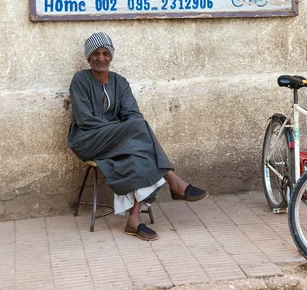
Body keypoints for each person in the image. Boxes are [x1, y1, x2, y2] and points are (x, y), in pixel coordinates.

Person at [68, 32, 208, 241]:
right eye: (96, 54)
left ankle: (134, 220)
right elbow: (84, 119)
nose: (101, 58)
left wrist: (122, 132)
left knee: (137, 155)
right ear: (89, 57)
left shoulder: (120, 82)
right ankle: (171, 177)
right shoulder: (80, 80)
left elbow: (132, 113)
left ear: (111, 56)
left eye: (106, 53)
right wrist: (121, 130)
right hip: (88, 140)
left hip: (122, 141)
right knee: (137, 128)